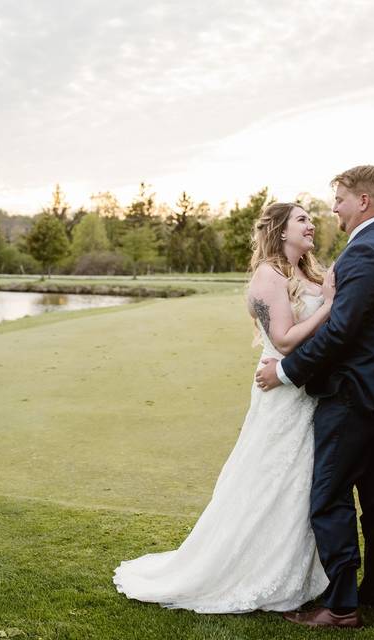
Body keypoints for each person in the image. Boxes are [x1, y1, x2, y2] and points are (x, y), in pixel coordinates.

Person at [113, 202, 336, 613]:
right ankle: (250, 571)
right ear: (280, 230)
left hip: (307, 393)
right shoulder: (269, 275)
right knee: (270, 477)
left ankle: (297, 569)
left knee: (300, 481)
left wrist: (326, 299)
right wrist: (327, 306)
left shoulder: (310, 270)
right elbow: (285, 341)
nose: (311, 225)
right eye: (302, 219)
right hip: (282, 392)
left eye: (310, 219)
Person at [256, 165, 374, 629]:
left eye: (340, 199)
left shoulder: (365, 250)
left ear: (363, 201)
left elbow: (343, 332)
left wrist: (287, 371)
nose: (333, 209)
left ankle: (342, 605)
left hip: (354, 392)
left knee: (329, 494)